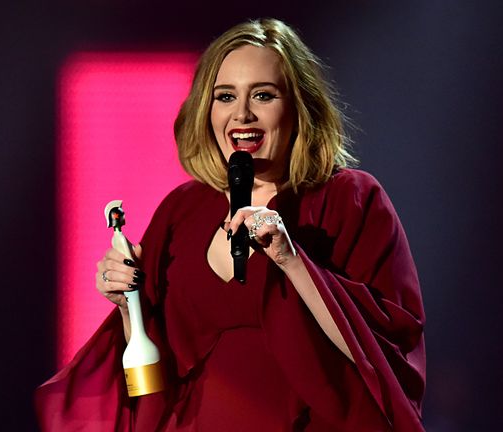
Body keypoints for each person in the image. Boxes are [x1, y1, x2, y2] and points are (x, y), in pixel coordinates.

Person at [36, 18, 426, 432]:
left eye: (263, 95)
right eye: (225, 96)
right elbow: (151, 383)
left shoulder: (352, 200)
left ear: (299, 107)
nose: (242, 113)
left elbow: (386, 357)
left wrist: (291, 261)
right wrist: (129, 307)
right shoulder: (181, 211)